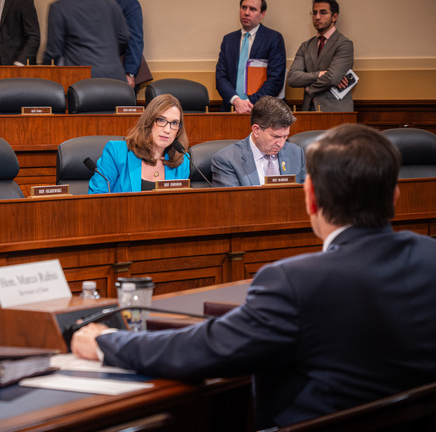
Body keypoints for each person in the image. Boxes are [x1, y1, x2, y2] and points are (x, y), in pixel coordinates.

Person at [72, 123, 436, 429]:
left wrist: (107, 342)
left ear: (310, 197)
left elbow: (204, 350)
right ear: (395, 196)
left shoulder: (294, 282)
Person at [88, 94, 190, 194]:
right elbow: (96, 199)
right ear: (148, 121)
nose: (167, 130)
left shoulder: (182, 162)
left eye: (174, 123)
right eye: (161, 120)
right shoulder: (116, 152)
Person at [215, 0, 286, 113]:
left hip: (262, 110)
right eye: (244, 8)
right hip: (231, 108)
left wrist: (248, 104)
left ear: (262, 14)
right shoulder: (228, 40)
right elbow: (220, 77)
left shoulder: (273, 38)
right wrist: (236, 101)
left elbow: (275, 80)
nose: (246, 13)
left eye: (252, 9)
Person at [43, 0, 129, 81]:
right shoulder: (109, 1)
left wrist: (44, 76)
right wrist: (107, 55)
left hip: (82, 80)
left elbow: (53, 51)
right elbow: (124, 36)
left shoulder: (59, 6)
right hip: (115, 77)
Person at [211, 96, 305, 187]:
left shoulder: (296, 153)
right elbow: (233, 198)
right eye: (275, 136)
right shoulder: (228, 160)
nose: (281, 144)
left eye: (285, 136)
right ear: (256, 130)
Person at [287, 0, 354, 112]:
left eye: (323, 13)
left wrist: (309, 88)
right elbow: (292, 78)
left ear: (334, 17)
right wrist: (320, 74)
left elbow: (332, 78)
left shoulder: (344, 44)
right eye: (314, 13)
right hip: (308, 110)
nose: (317, 17)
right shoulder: (305, 46)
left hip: (335, 111)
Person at [92, 0, 143, 88]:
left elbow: (134, 40)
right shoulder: (93, 2)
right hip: (94, 74)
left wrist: (130, 73)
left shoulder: (130, 3)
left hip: (120, 74)